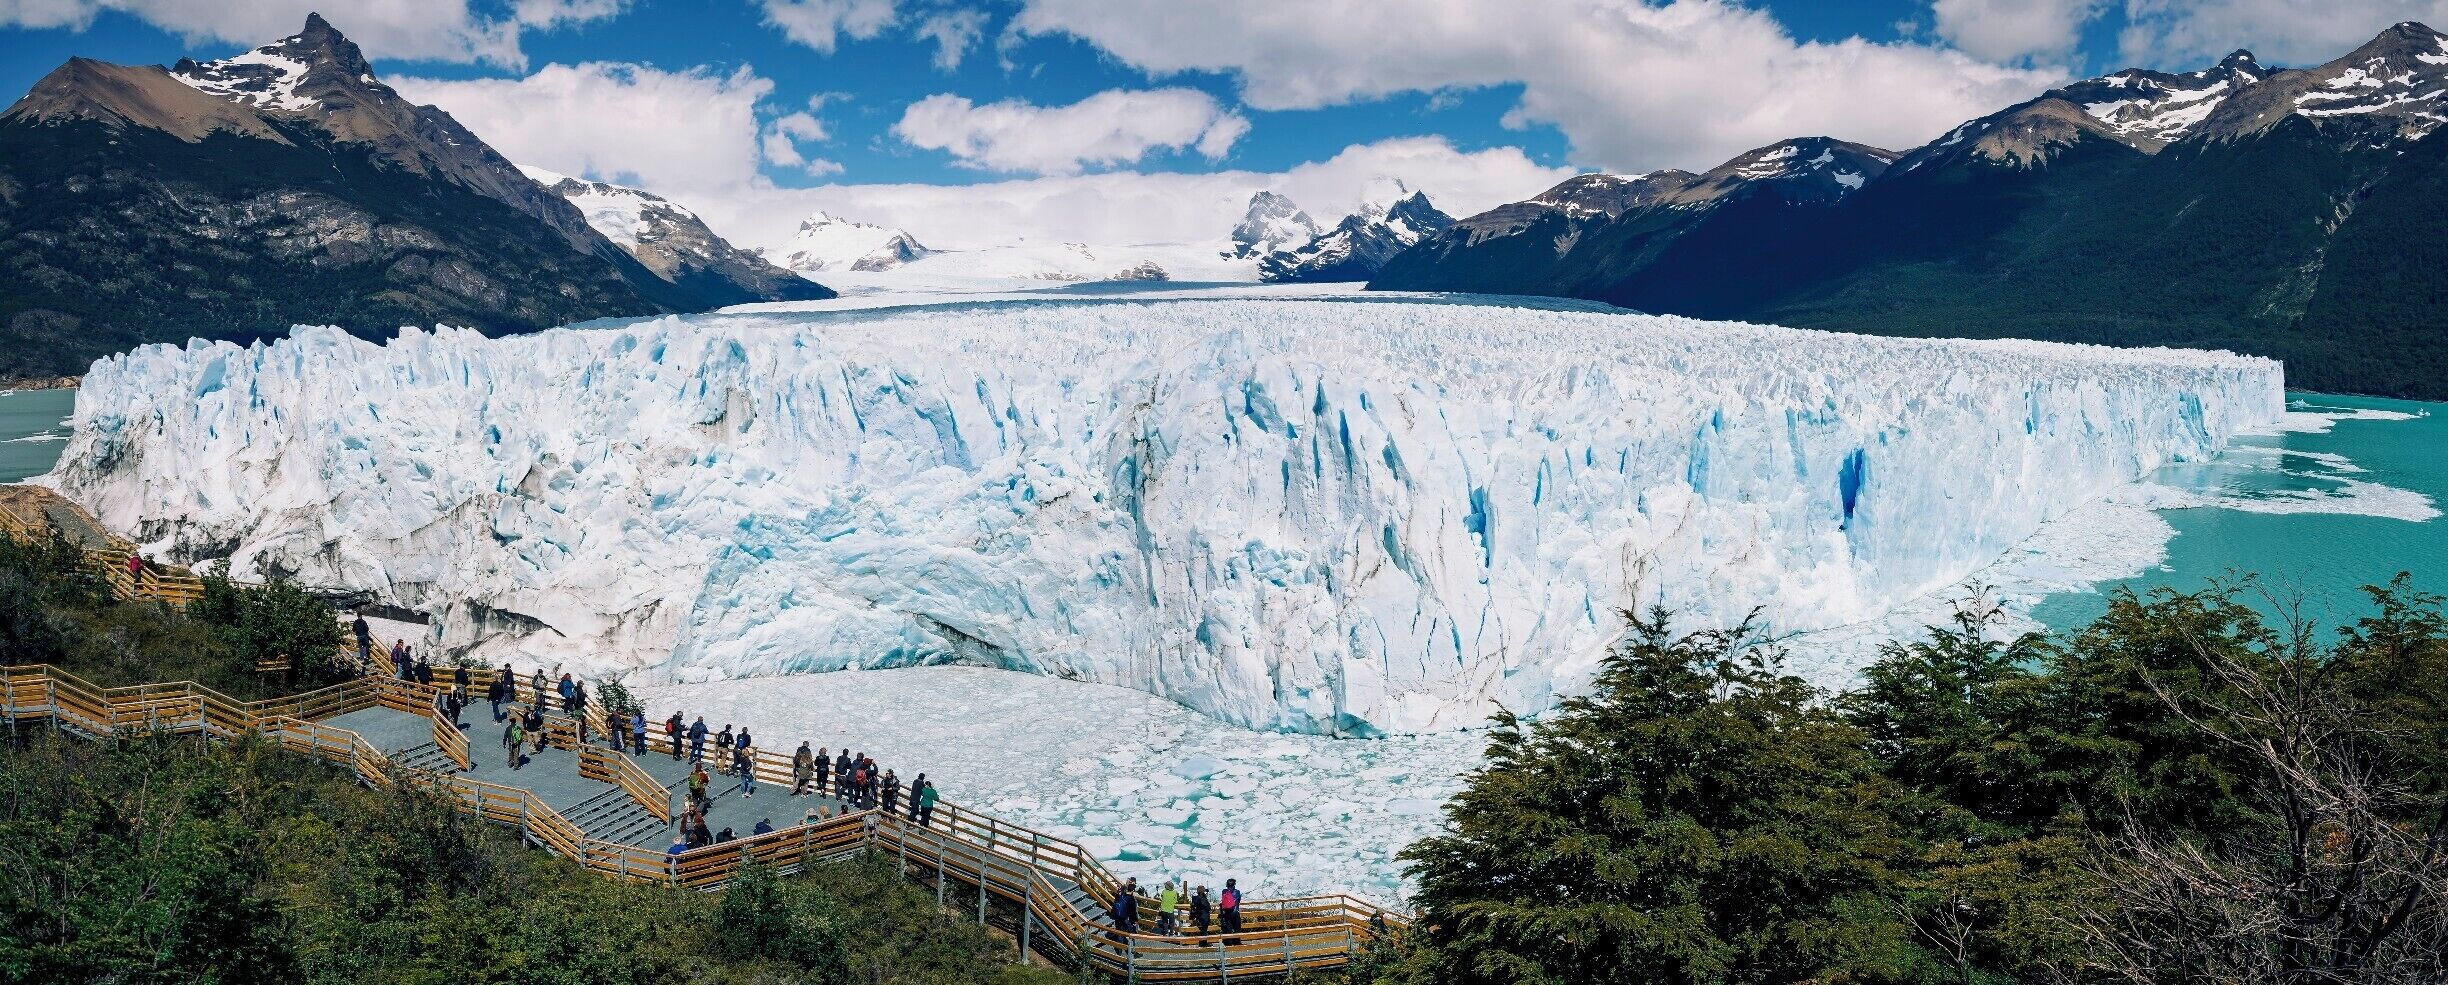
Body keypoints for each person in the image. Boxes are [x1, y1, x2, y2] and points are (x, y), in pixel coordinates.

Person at [1219, 878, 1242, 944]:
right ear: (1234, 884)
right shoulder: (1237, 892)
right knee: (1237, 928)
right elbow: (1238, 900)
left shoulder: (1224, 891)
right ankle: (1236, 942)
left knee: (1228, 927)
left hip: (1226, 912)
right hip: (1235, 912)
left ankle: (1228, 942)